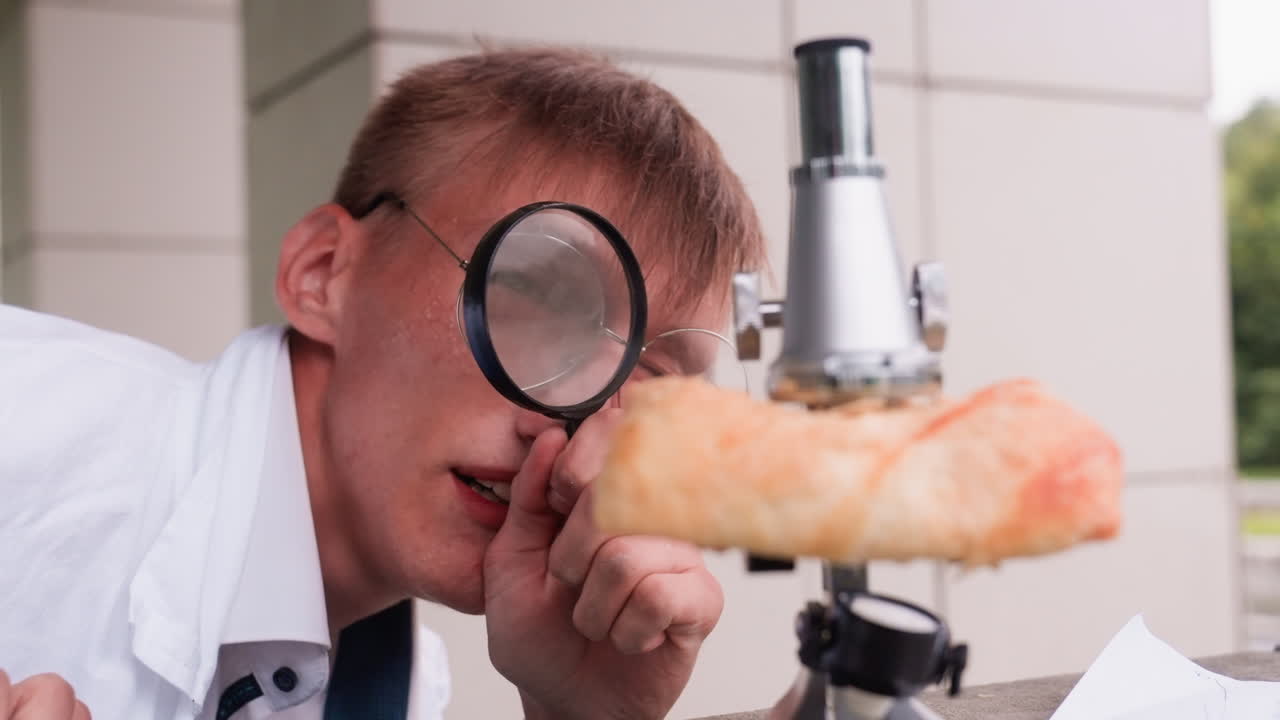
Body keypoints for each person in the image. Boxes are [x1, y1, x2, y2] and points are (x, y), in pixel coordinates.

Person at [0, 47, 766, 720]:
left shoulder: (398, 689)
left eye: (651, 382)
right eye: (539, 302)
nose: (576, 427)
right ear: (323, 273)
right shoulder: (21, 416)